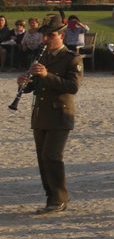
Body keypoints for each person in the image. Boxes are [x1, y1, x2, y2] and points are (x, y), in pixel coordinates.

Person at [19, 14, 79, 214]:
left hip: (60, 114)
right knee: (42, 158)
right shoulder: (43, 56)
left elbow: (72, 86)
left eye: (51, 35)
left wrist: (47, 75)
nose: (46, 39)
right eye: (45, 36)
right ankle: (51, 197)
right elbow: (36, 85)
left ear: (61, 36)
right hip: (41, 114)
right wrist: (25, 84)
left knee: (52, 155)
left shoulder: (72, 58)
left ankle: (60, 197)